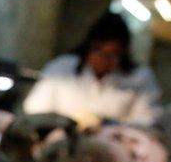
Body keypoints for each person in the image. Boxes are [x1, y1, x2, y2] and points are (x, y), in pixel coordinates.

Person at [23, 12, 161, 126]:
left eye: (112, 55)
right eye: (99, 52)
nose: (104, 60)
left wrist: (108, 124)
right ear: (88, 47)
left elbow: (149, 119)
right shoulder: (61, 69)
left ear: (123, 54)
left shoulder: (140, 78)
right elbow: (35, 109)